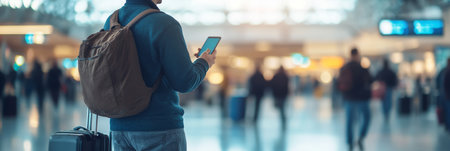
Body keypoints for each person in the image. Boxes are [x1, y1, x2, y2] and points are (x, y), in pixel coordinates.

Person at [103, 0, 216, 150]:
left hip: (119, 128)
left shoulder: (112, 21)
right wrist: (204, 62)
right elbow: (185, 82)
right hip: (159, 128)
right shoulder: (164, 24)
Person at [338, 48, 373, 151]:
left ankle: (350, 142)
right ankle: (361, 137)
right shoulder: (362, 68)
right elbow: (371, 80)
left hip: (349, 98)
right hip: (362, 98)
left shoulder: (345, 68)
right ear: (358, 55)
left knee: (350, 121)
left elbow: (339, 83)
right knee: (366, 117)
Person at [270, 66, 289, 130]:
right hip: (283, 95)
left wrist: (274, 93)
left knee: (281, 108)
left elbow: (272, 85)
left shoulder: (276, 76)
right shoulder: (285, 76)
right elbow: (287, 86)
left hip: (278, 94)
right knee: (282, 108)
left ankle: (283, 119)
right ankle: (283, 120)